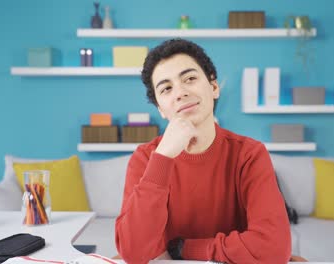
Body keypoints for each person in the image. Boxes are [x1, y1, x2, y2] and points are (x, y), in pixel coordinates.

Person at [115, 38, 291, 264]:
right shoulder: (146, 158)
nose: (180, 93)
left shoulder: (249, 154)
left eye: (190, 79)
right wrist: (163, 157)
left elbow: (273, 249)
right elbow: (133, 252)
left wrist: (186, 248)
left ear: (214, 87)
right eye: (166, 88)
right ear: (160, 108)